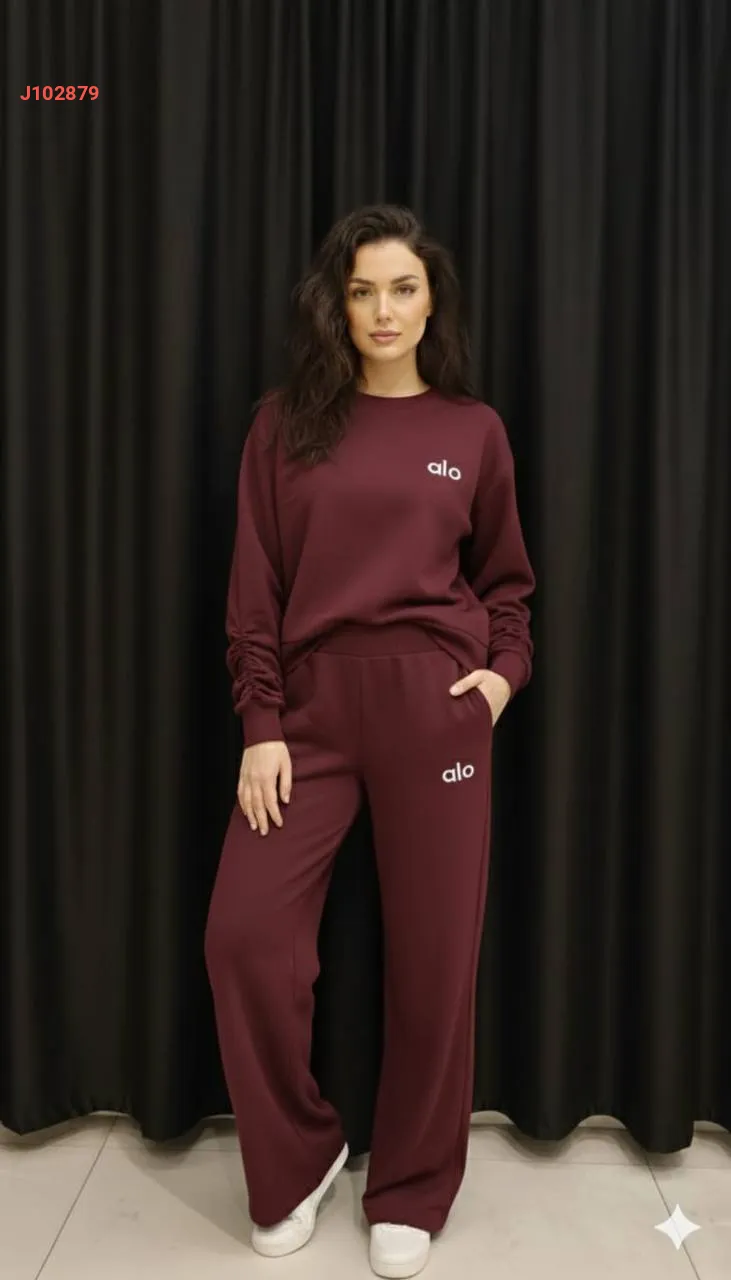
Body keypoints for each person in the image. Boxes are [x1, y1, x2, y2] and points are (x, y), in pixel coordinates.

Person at [204, 203, 535, 1278]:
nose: (382, 310)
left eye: (401, 288)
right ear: (335, 307)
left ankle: (411, 1183)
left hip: (435, 711)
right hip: (308, 715)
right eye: (361, 291)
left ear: (431, 301)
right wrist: (261, 723)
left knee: (435, 961)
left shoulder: (471, 431)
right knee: (243, 935)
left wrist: (499, 678)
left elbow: (507, 586)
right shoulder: (283, 426)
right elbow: (254, 589)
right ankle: (297, 1157)